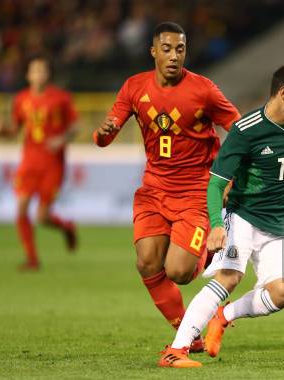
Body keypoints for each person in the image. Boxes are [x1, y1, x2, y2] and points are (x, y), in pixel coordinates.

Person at [93, 22, 240, 352]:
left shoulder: (203, 90)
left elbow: (239, 131)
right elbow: (105, 136)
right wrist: (102, 134)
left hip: (196, 192)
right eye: (167, 49)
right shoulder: (134, 87)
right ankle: (192, 334)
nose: (174, 56)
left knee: (179, 272)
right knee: (146, 262)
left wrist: (229, 176)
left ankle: (212, 247)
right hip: (154, 190)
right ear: (154, 52)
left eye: (180, 49)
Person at [159, 63, 284, 368]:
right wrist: (217, 225)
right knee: (230, 277)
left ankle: (225, 315)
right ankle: (176, 350)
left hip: (283, 224)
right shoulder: (246, 130)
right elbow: (216, 183)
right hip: (244, 217)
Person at [0, 56, 78, 271]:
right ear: (28, 75)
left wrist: (61, 139)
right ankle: (32, 259)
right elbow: (15, 130)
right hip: (29, 161)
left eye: (42, 70)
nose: (38, 74)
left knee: (42, 217)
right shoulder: (21, 100)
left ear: (48, 75)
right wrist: (2, 131)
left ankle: (67, 228)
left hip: (53, 164)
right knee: (21, 208)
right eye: (34, 71)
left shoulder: (61, 98)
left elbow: (75, 127)